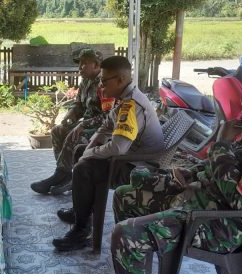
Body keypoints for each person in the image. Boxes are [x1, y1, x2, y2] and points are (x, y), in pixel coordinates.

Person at [85, 77, 242, 274]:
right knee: (125, 195)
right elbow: (222, 169)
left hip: (217, 224)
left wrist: (222, 144)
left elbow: (238, 201)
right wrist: (193, 173)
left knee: (126, 232)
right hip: (200, 202)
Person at [52, 56, 165, 252]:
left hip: (138, 167)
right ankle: (81, 211)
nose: (101, 86)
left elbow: (117, 148)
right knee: (81, 151)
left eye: (104, 81)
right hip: (129, 157)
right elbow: (107, 126)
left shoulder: (131, 105)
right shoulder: (124, 96)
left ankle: (81, 232)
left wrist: (92, 153)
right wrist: (91, 146)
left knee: (83, 168)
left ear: (120, 79)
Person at [31, 48, 108, 195]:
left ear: (96, 65)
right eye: (79, 63)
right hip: (85, 125)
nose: (79, 68)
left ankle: (61, 175)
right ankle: (64, 174)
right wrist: (70, 116)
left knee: (73, 136)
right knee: (57, 130)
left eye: (84, 64)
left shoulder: (104, 84)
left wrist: (83, 124)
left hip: (102, 130)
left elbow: (108, 117)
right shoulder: (85, 82)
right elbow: (78, 105)